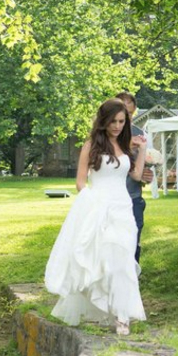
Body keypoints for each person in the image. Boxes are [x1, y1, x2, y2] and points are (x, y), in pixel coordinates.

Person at [45, 98, 147, 335]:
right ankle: (110, 308)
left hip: (123, 209)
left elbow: (137, 175)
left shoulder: (124, 146)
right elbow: (81, 182)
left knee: (124, 260)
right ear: (104, 121)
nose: (118, 126)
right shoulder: (92, 145)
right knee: (105, 261)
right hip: (99, 206)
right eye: (113, 121)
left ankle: (123, 316)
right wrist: (93, 204)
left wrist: (141, 150)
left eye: (122, 121)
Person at [115, 92, 150, 259]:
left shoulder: (139, 134)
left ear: (134, 112)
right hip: (112, 199)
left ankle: (132, 278)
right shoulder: (105, 136)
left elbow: (141, 169)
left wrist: (147, 175)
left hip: (134, 197)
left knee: (133, 241)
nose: (124, 117)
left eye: (128, 113)